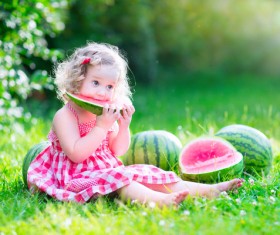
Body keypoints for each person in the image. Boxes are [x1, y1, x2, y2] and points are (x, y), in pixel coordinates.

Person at [27, 42, 243, 207]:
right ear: (77, 80)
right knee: (122, 180)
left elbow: (118, 150)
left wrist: (123, 126)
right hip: (73, 178)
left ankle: (210, 190)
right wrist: (100, 127)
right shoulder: (65, 115)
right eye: (96, 83)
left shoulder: (105, 112)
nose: (103, 92)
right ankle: (160, 202)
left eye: (110, 86)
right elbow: (76, 154)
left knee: (148, 173)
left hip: (106, 171)